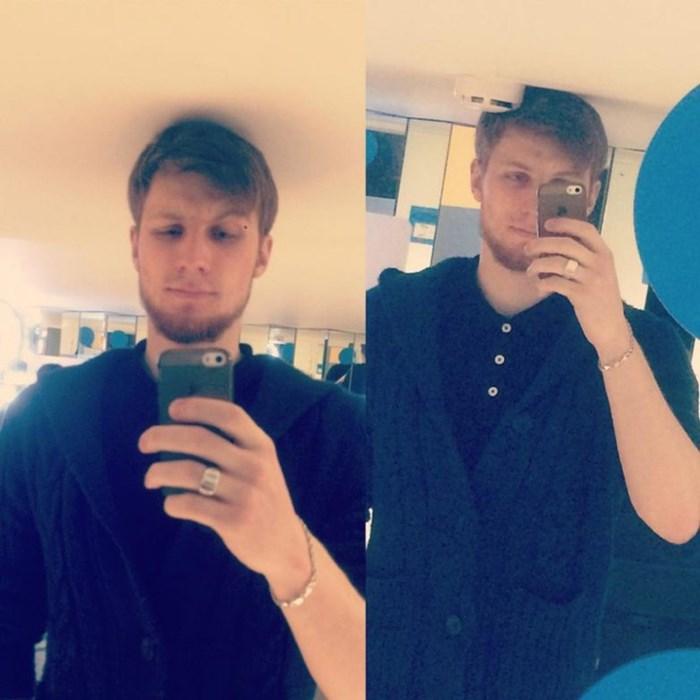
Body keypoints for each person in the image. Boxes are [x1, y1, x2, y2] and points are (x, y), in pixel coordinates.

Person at [0, 118, 365, 700]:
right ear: (135, 245)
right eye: (170, 230)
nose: (194, 257)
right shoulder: (43, 417)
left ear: (262, 253)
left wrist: (289, 553)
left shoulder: (334, 430)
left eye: (225, 233)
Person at [367, 87, 700, 699]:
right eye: (515, 177)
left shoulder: (643, 344)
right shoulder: (394, 316)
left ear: (591, 195)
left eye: (560, 186)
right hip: (394, 668)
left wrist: (609, 335)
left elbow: (679, 519)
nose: (531, 206)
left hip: (542, 674)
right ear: (477, 178)